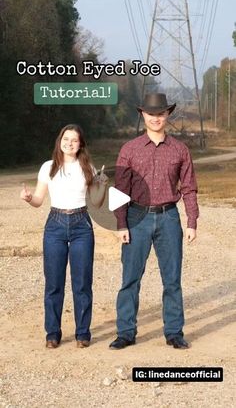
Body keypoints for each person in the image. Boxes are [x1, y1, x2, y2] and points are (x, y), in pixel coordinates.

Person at [109, 93, 199, 350]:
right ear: (143, 115)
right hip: (136, 218)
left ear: (167, 115)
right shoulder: (129, 149)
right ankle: (126, 332)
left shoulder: (180, 150)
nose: (156, 118)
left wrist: (191, 220)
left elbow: (190, 188)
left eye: (160, 113)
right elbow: (119, 190)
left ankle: (174, 332)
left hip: (169, 217)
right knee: (130, 278)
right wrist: (121, 224)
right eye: (151, 114)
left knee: (172, 279)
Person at [20, 124, 107, 349]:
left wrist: (101, 187)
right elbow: (39, 200)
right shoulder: (48, 168)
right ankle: (52, 333)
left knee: (82, 283)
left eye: (74, 140)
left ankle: (83, 333)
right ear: (60, 141)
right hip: (55, 225)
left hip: (81, 225)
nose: (69, 143)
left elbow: (96, 204)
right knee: (54, 283)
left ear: (80, 145)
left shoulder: (88, 167)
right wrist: (29, 197)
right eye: (66, 139)